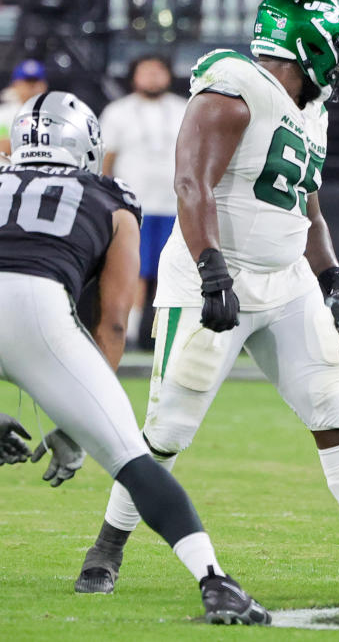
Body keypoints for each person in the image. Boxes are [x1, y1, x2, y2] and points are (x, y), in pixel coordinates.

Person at [73, 0, 339, 598]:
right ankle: (105, 549)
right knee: (167, 430)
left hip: (286, 282)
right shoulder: (235, 82)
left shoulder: (307, 110)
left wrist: (330, 274)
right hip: (212, 276)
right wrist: (212, 270)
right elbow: (191, 181)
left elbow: (305, 204)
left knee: (334, 413)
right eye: (334, 46)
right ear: (303, 42)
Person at [0, 91, 269, 624]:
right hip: (37, 311)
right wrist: (78, 425)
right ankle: (214, 581)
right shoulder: (109, 196)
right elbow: (116, 321)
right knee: (131, 460)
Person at [99, 55, 188, 347]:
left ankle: (167, 335)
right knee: (134, 271)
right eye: (145, 70)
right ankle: (131, 332)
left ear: (168, 75)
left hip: (176, 205)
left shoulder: (183, 108)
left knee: (171, 271)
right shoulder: (117, 112)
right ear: (134, 75)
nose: (151, 77)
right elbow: (106, 160)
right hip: (132, 207)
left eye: (158, 70)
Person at [0, 59, 48, 154]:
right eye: (28, 81)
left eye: (36, 81)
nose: (33, 87)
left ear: (45, 85)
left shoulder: (55, 112)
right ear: (16, 84)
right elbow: (2, 147)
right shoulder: (3, 114)